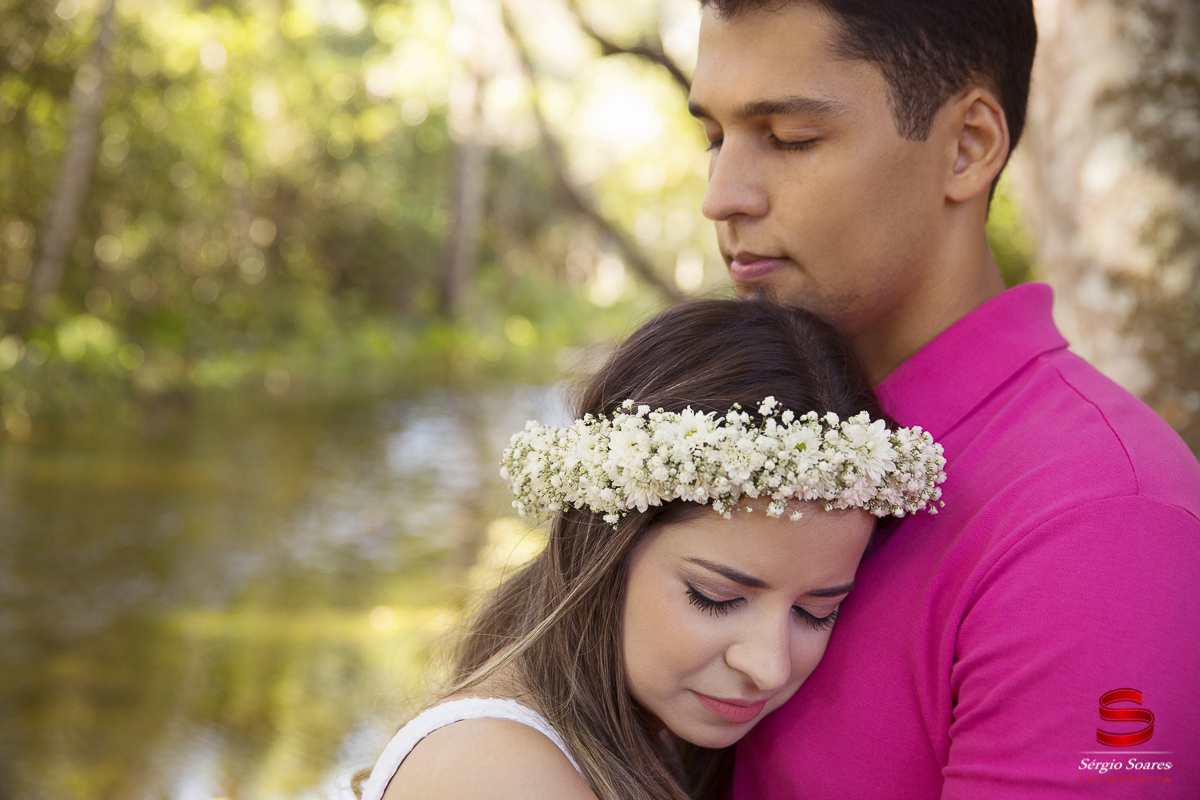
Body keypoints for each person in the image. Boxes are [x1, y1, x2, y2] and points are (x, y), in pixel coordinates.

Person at [688, 1, 1200, 797]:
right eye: (714, 140)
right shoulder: (722, 418)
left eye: (790, 139)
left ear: (968, 147)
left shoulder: (1098, 518)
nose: (722, 196)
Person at [354, 297, 946, 800]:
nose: (769, 666)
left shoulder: (657, 738)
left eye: (817, 612)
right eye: (717, 597)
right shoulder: (490, 772)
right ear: (602, 545)